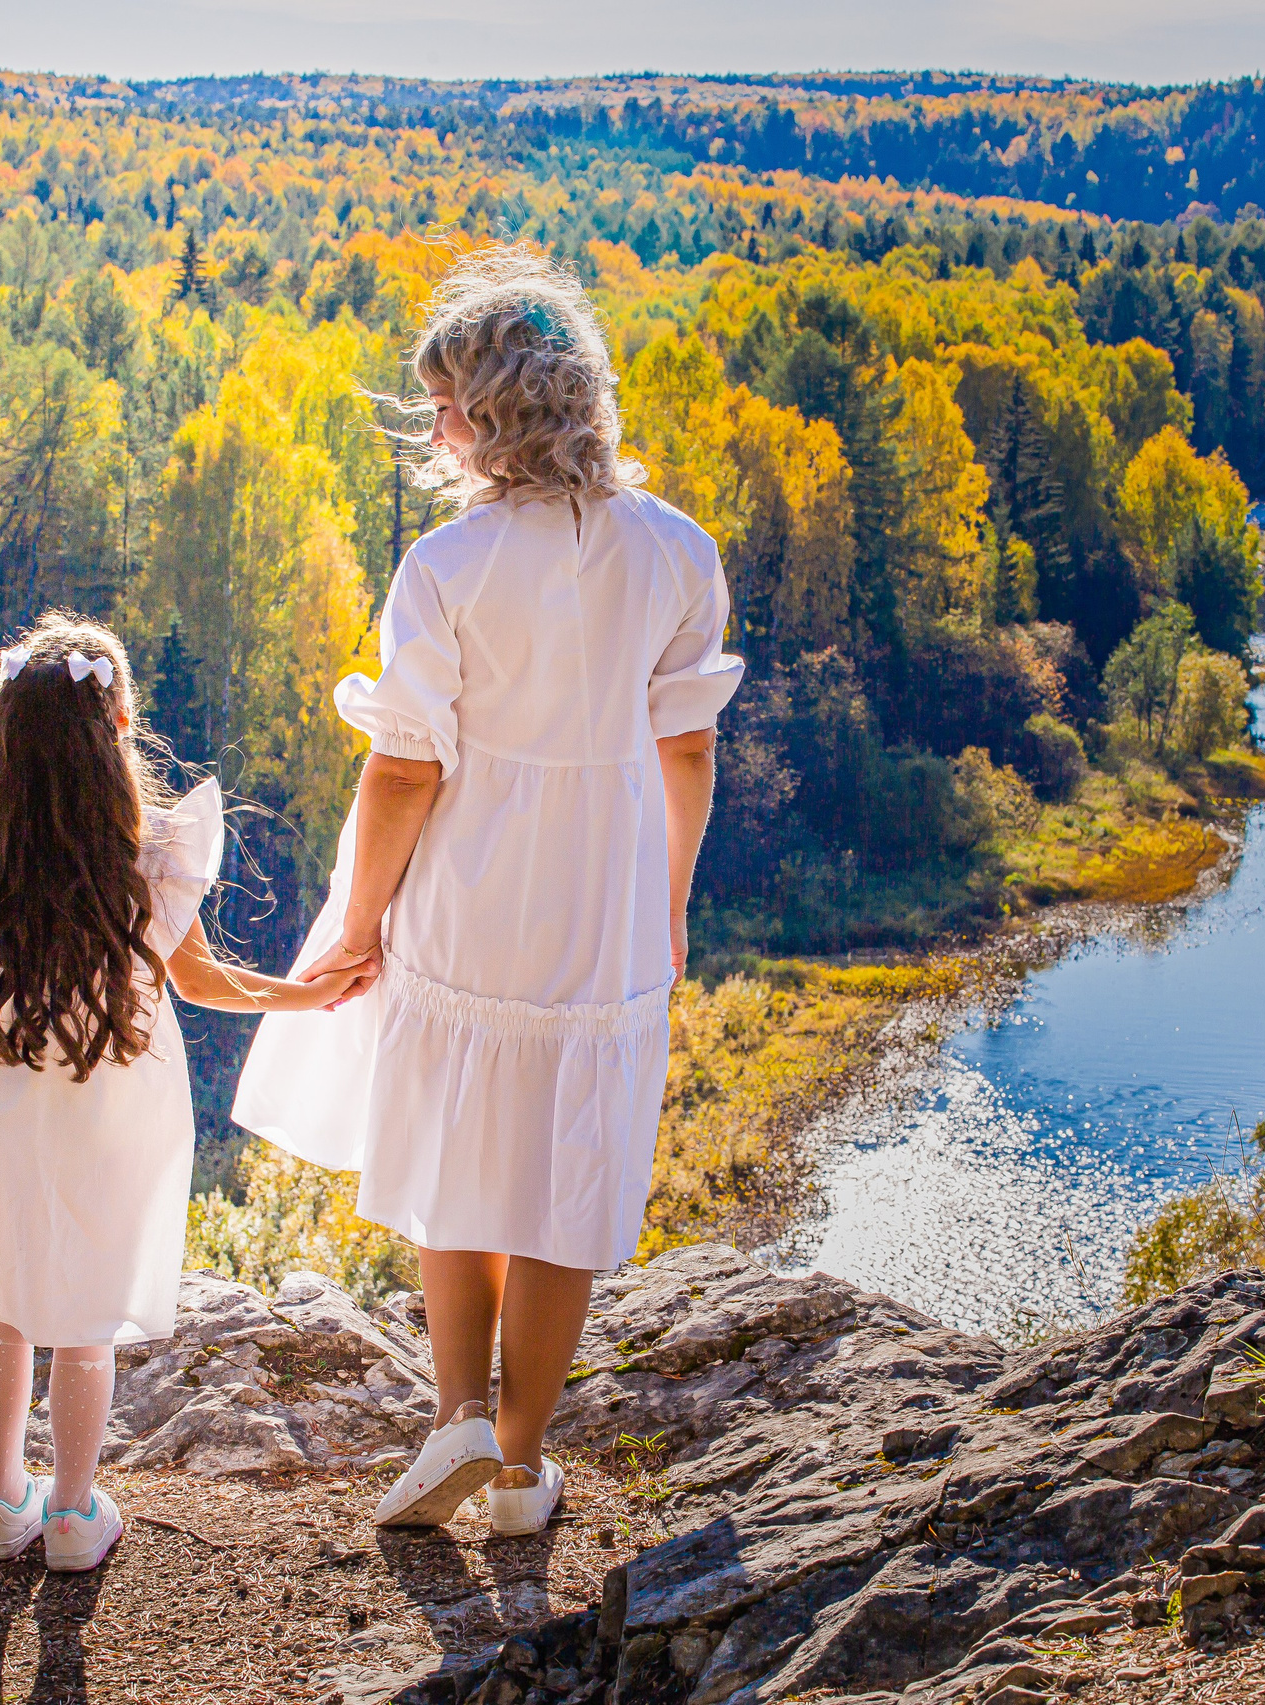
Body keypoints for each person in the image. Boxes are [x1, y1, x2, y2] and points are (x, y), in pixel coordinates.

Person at [234, 246, 741, 1537]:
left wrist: (355, 922)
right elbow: (686, 747)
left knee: (456, 1154)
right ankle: (519, 1467)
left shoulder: (448, 567)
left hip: (469, 880)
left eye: (448, 402)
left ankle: (459, 1408)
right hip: (606, 888)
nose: (440, 427)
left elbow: (404, 772)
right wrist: (669, 897)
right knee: (567, 1177)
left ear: (494, 411)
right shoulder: (676, 550)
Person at [0, 613, 368, 1570]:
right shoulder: (154, 848)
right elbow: (200, 981)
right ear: (116, 725)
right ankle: (74, 1515)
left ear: (8, 737)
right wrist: (310, 994)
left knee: (7, 1296)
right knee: (84, 1311)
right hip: (115, 1096)